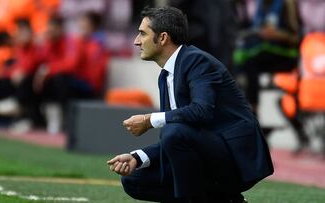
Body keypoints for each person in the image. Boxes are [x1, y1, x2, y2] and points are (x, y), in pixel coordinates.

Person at [107, 6, 273, 203]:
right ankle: (226, 200)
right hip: (208, 153)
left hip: (236, 159)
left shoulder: (197, 61)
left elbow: (200, 112)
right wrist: (138, 156)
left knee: (172, 131)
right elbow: (182, 133)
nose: (136, 41)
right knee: (135, 180)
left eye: (142, 33)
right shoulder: (165, 76)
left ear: (162, 38)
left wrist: (150, 120)